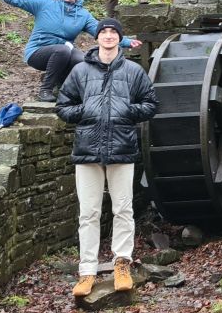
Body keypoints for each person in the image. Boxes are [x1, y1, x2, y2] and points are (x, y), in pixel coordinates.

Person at [56, 18, 157, 298]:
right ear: (97, 37)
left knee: (123, 209)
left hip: (121, 148)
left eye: (114, 32)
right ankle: (87, 271)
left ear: (119, 38)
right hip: (87, 150)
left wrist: (126, 111)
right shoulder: (80, 70)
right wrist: (86, 112)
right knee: (88, 213)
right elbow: (63, 106)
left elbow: (151, 104)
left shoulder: (133, 71)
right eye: (104, 32)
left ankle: (121, 264)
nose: (109, 36)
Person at [0, 0, 140, 101]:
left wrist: (126, 42)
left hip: (64, 53)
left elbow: (101, 31)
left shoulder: (83, 15)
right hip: (38, 52)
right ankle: (45, 90)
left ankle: (68, 89)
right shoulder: (44, 4)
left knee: (83, 59)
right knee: (63, 50)